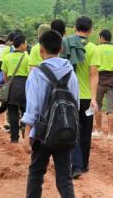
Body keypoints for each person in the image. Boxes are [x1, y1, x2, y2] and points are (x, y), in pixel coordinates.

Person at [22, 30, 79, 198]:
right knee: (64, 175)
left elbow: (33, 106)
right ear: (61, 48)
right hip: (66, 129)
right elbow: (74, 102)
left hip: (42, 132)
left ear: (41, 49)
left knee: (36, 172)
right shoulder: (71, 72)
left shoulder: (37, 74)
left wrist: (27, 132)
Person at [62, 16, 100, 179]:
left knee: (72, 130)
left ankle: (75, 165)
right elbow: (93, 74)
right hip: (86, 97)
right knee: (85, 131)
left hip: (69, 95)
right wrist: (93, 98)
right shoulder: (93, 48)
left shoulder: (65, 43)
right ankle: (83, 164)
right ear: (90, 30)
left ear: (74, 27)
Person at [92, 29, 113, 140]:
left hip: (99, 79)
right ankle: (110, 134)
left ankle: (98, 131)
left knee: (97, 105)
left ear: (102, 38)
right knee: (111, 108)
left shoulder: (96, 49)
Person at [1, 35, 29, 142]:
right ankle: (24, 126)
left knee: (12, 111)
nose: (26, 45)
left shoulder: (7, 57)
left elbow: (5, 74)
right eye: (25, 43)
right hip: (24, 85)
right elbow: (30, 74)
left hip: (11, 85)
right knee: (26, 110)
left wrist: (7, 83)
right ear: (22, 45)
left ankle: (14, 138)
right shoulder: (27, 57)